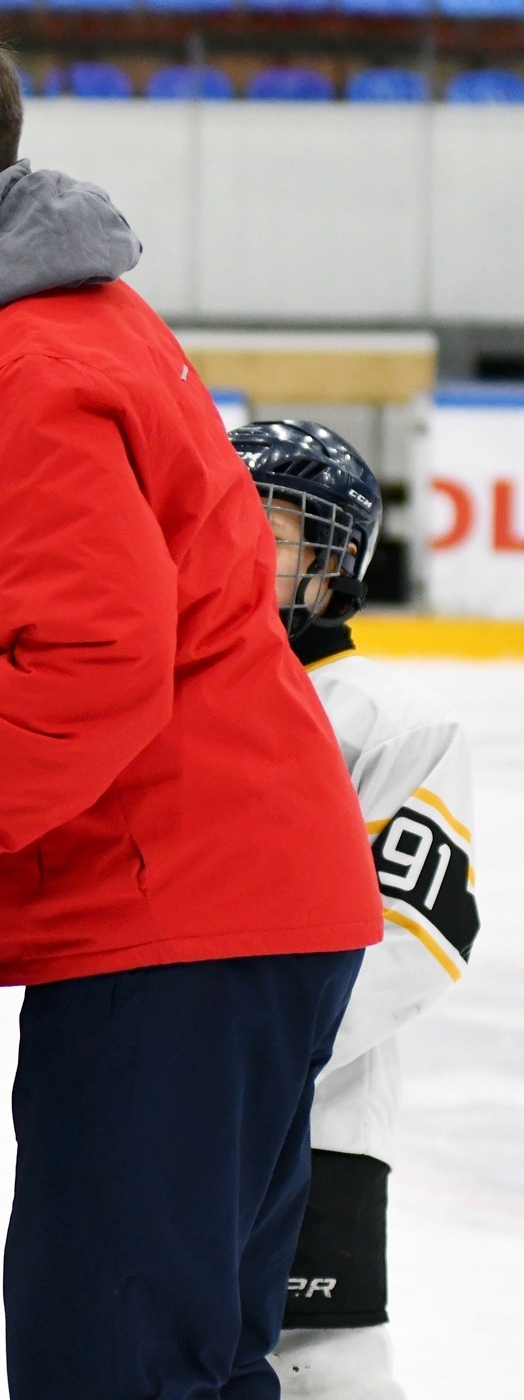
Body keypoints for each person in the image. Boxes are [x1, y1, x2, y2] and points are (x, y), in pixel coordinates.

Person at [0, 17, 383, 1400]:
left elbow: (89, 664)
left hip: (174, 922)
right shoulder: (67, 324)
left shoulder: (14, 363)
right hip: (227, 904)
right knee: (195, 1359)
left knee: (114, 1366)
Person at [226, 422, 478, 1400]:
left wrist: (251, 1055)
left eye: (268, 531)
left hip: (316, 1118)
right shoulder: (163, 696)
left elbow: (415, 931)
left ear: (334, 562)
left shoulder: (388, 718)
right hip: (167, 1108)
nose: (233, 546)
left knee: (320, 1364)